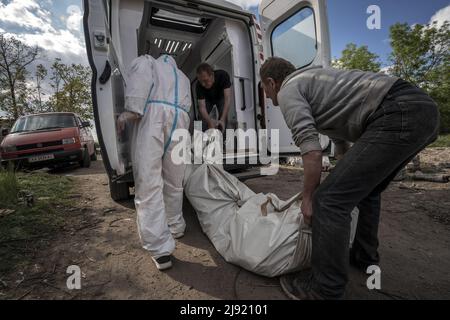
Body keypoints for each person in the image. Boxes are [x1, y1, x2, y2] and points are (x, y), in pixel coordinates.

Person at [259, 57, 439, 299]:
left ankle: (326, 289)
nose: (268, 97)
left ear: (271, 82)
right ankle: (364, 257)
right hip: (422, 111)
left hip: (397, 111)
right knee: (367, 190)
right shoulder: (314, 82)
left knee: (328, 201)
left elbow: (311, 151)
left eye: (265, 89)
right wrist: (344, 171)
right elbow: (340, 140)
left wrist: (309, 199)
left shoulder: (289, 90)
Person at [117, 54, 191, 271]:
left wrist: (128, 113)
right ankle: (175, 225)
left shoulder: (148, 62)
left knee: (148, 183)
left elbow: (138, 89)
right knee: (174, 181)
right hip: (180, 123)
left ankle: (160, 250)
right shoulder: (184, 77)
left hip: (154, 118)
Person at [196, 63, 232, 132]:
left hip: (220, 97)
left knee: (224, 115)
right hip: (207, 99)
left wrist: (222, 120)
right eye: (201, 82)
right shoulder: (198, 86)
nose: (203, 84)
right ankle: (199, 137)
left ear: (212, 75)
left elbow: (227, 98)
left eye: (205, 81)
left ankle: (224, 138)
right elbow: (202, 107)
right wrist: (210, 122)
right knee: (200, 117)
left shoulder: (223, 75)